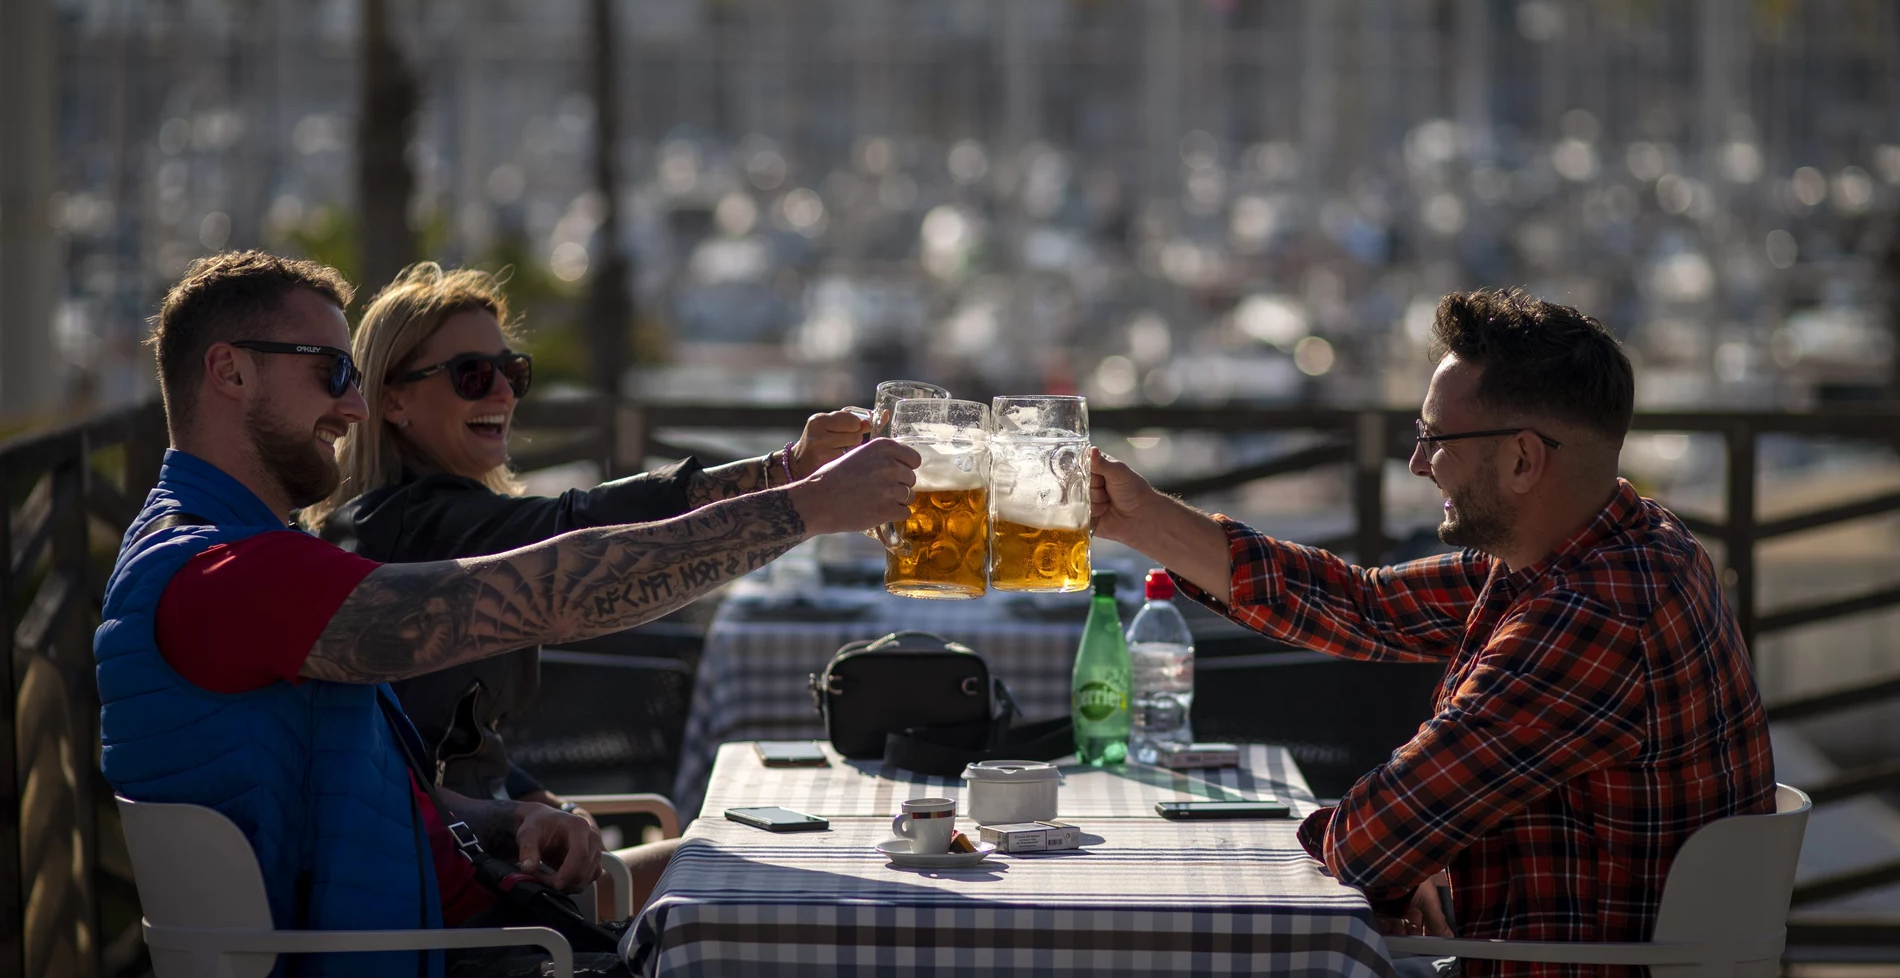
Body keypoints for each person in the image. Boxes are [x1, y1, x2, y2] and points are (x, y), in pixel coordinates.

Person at [96, 250, 917, 978]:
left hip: (485, 920)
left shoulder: (228, 550)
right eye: (330, 372)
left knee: (794, 888)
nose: (349, 406)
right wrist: (800, 507)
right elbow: (556, 580)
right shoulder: (219, 572)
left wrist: (503, 816)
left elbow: (368, 784)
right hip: (466, 952)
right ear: (230, 372)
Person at [1088, 289, 1775, 978]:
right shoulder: (1623, 544)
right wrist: (1139, 520)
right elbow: (1366, 605)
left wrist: (1404, 855)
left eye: (1435, 439)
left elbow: (1370, 839)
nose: (1419, 463)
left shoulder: (1596, 614)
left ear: (1523, 460)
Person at [303, 262, 867, 911]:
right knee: (765, 878)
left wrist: (545, 803)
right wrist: (798, 489)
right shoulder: (416, 527)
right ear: (392, 399)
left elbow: (451, 742)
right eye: (472, 375)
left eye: (512, 373)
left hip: (488, 867)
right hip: (462, 900)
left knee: (752, 862)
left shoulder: (405, 518)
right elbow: (583, 525)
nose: (502, 394)